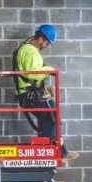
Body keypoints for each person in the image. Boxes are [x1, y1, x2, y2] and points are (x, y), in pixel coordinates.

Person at [12, 24, 78, 160]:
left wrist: (44, 87)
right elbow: (31, 74)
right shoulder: (30, 50)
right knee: (51, 117)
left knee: (52, 116)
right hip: (30, 95)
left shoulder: (30, 50)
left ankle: (60, 151)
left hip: (32, 93)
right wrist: (49, 69)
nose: (47, 45)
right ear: (40, 38)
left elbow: (32, 74)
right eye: (47, 42)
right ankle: (53, 152)